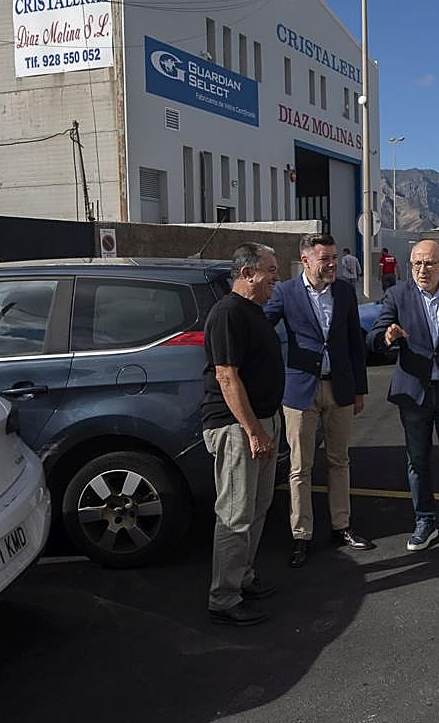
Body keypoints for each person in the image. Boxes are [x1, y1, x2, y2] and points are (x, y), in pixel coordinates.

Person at [368, 239, 439, 560]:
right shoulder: (397, 295)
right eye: (417, 263)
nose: (422, 269)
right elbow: (374, 336)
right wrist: (386, 336)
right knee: (417, 462)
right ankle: (425, 521)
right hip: (414, 393)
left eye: (429, 263)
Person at [264, 234, 374, 569]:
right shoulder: (285, 292)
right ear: (306, 260)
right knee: (301, 467)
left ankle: (342, 526)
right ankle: (301, 534)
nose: (331, 265)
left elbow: (355, 339)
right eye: (324, 259)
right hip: (300, 391)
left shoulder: (342, 291)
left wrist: (359, 388)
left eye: (333, 259)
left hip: (339, 388)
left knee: (340, 461)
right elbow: (261, 326)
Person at [200, 243, 283, 626]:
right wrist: (252, 430)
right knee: (234, 513)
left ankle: (243, 577)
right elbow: (226, 376)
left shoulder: (254, 311)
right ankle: (224, 597)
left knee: (258, 506)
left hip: (263, 423)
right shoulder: (227, 313)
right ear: (247, 273)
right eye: (271, 270)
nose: (276, 279)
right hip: (238, 429)